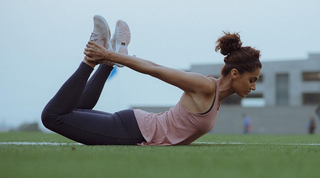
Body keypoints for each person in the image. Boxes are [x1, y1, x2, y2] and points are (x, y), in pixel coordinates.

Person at [41, 15, 262, 146]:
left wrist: (112, 58)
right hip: (131, 131)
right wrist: (109, 56)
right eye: (252, 80)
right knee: (51, 117)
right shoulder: (205, 86)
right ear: (234, 75)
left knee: (75, 109)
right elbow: (156, 70)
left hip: (135, 127)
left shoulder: (217, 98)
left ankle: (108, 58)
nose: (253, 86)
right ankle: (93, 59)